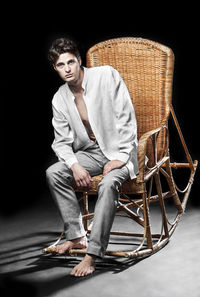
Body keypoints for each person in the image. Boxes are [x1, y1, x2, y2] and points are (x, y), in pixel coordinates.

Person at [45, 37, 138, 277]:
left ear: (79, 60)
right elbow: (61, 142)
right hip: (90, 153)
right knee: (54, 172)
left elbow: (127, 117)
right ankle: (77, 237)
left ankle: (93, 254)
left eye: (70, 62)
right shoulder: (59, 98)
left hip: (120, 150)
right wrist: (75, 165)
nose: (67, 69)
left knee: (108, 183)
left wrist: (123, 155)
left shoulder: (106, 76)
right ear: (55, 68)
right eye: (60, 65)